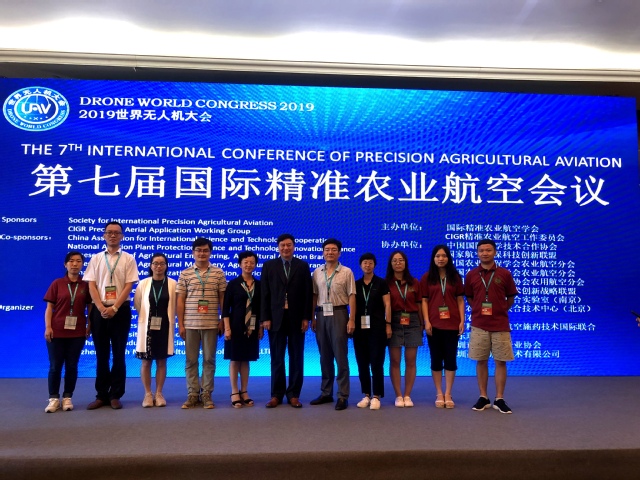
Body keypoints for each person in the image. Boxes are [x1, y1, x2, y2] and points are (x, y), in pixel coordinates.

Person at [84, 221, 139, 410]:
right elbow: (91, 284)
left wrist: (114, 307)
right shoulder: (96, 258)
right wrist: (100, 307)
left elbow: (129, 285)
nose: (113, 235)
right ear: (104, 235)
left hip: (120, 310)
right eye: (109, 232)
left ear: (122, 236)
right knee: (101, 355)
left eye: (116, 232)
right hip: (99, 310)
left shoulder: (128, 258)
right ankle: (101, 395)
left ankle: (115, 394)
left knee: (118, 354)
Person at [465, 239, 518, 414]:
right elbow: (469, 297)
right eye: (481, 250)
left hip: (500, 324)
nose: (485, 253)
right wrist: (478, 309)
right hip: (479, 324)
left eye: (488, 250)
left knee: (500, 361)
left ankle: (499, 398)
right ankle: (483, 397)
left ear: (495, 252)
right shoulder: (471, 274)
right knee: (481, 360)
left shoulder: (505, 273)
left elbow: (511, 297)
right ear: (477, 253)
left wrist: (500, 310)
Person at [260, 234, 313, 409]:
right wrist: (265, 318)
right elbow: (265, 294)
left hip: (297, 318)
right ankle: (276, 394)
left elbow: (307, 293)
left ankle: (294, 394)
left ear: (294, 246)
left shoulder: (302, 266)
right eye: (282, 245)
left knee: (296, 356)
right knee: (277, 357)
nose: (286, 248)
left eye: (289, 245)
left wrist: (306, 317)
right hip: (276, 318)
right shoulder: (269, 266)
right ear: (278, 247)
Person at [177, 238, 227, 409]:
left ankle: (206, 394)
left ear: (210, 252)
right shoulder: (185, 273)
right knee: (190, 361)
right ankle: (192, 394)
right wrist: (180, 324)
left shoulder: (218, 273)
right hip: (190, 324)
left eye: (205, 250)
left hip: (211, 324)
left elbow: (223, 299)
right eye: (198, 250)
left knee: (209, 360)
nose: (202, 253)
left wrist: (222, 320)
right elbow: (180, 300)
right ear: (193, 252)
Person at [43, 251, 92, 412]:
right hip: (56, 331)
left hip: (77, 332)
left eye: (78, 261)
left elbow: (90, 308)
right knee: (55, 366)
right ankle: (53, 398)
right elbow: (49, 308)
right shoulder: (57, 283)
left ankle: (67, 397)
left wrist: (89, 325)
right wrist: (48, 327)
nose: (75, 264)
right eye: (71, 261)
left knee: (72, 366)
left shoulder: (86, 285)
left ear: (82, 265)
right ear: (65, 264)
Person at [310, 238, 356, 411]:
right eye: (327, 249)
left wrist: (351, 319)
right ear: (323, 252)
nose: (330, 252)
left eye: (333, 249)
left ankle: (343, 395)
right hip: (321, 314)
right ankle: (326, 392)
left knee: (340, 356)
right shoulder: (317, 272)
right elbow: (314, 296)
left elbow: (352, 296)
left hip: (339, 313)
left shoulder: (347, 272)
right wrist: (312, 317)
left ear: (339, 253)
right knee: (324, 356)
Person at [420, 245, 465, 409]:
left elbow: (460, 300)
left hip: (452, 324)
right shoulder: (427, 277)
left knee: (451, 359)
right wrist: (426, 321)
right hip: (434, 324)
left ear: (448, 258)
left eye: (444, 256)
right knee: (436, 358)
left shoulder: (455, 277)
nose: (441, 259)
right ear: (433, 258)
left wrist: (462, 320)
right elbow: (424, 301)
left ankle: (448, 393)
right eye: (438, 256)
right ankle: (439, 392)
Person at [133, 253, 176, 408]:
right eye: (155, 263)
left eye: (162, 263)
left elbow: (175, 305)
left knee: (161, 361)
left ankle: (159, 393)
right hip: (147, 328)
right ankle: (147, 394)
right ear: (151, 266)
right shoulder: (143, 283)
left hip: (164, 327)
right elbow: (138, 304)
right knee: (146, 361)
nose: (159, 266)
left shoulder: (173, 284)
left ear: (166, 266)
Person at [222, 251, 263, 408]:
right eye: (246, 262)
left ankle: (244, 391)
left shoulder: (259, 285)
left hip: (252, 327)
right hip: (235, 326)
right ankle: (234, 391)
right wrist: (227, 328)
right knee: (235, 359)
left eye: (252, 262)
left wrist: (260, 327)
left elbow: (261, 308)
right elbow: (225, 309)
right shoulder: (233, 284)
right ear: (240, 264)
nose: (249, 265)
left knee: (246, 359)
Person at [353, 253, 391, 410]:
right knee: (362, 362)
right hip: (359, 328)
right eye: (364, 263)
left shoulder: (381, 283)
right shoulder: (356, 284)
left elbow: (387, 305)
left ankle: (377, 395)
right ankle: (366, 394)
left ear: (374, 265)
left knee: (376, 362)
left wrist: (388, 324)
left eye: (370, 263)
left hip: (377, 327)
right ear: (360, 265)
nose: (367, 265)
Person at [386, 250, 423, 408]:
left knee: (411, 360)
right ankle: (398, 395)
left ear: (406, 262)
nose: (398, 263)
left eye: (401, 260)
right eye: (395, 260)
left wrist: (422, 323)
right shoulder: (386, 283)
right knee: (395, 360)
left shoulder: (414, 282)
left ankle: (407, 395)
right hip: (393, 321)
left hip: (412, 321)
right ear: (391, 264)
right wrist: (386, 324)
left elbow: (420, 304)